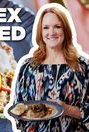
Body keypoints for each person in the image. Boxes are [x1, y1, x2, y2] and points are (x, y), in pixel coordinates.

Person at [14, 4, 89, 132]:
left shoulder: (82, 66)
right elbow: (19, 112)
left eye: (57, 27)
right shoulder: (28, 67)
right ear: (40, 32)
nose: (51, 33)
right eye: (46, 28)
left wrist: (67, 110)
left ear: (65, 30)